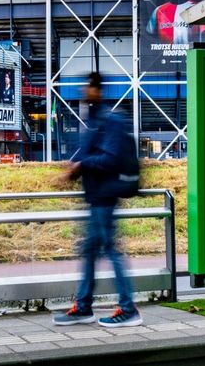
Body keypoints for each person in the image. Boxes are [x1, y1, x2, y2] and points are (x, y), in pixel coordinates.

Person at [54, 71, 143, 327]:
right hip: (95, 198)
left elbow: (110, 159)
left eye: (89, 86)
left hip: (105, 196)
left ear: (99, 90)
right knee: (91, 251)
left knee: (111, 250)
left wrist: (81, 164)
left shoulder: (109, 120)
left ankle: (128, 309)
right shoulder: (94, 120)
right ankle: (83, 306)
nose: (84, 90)